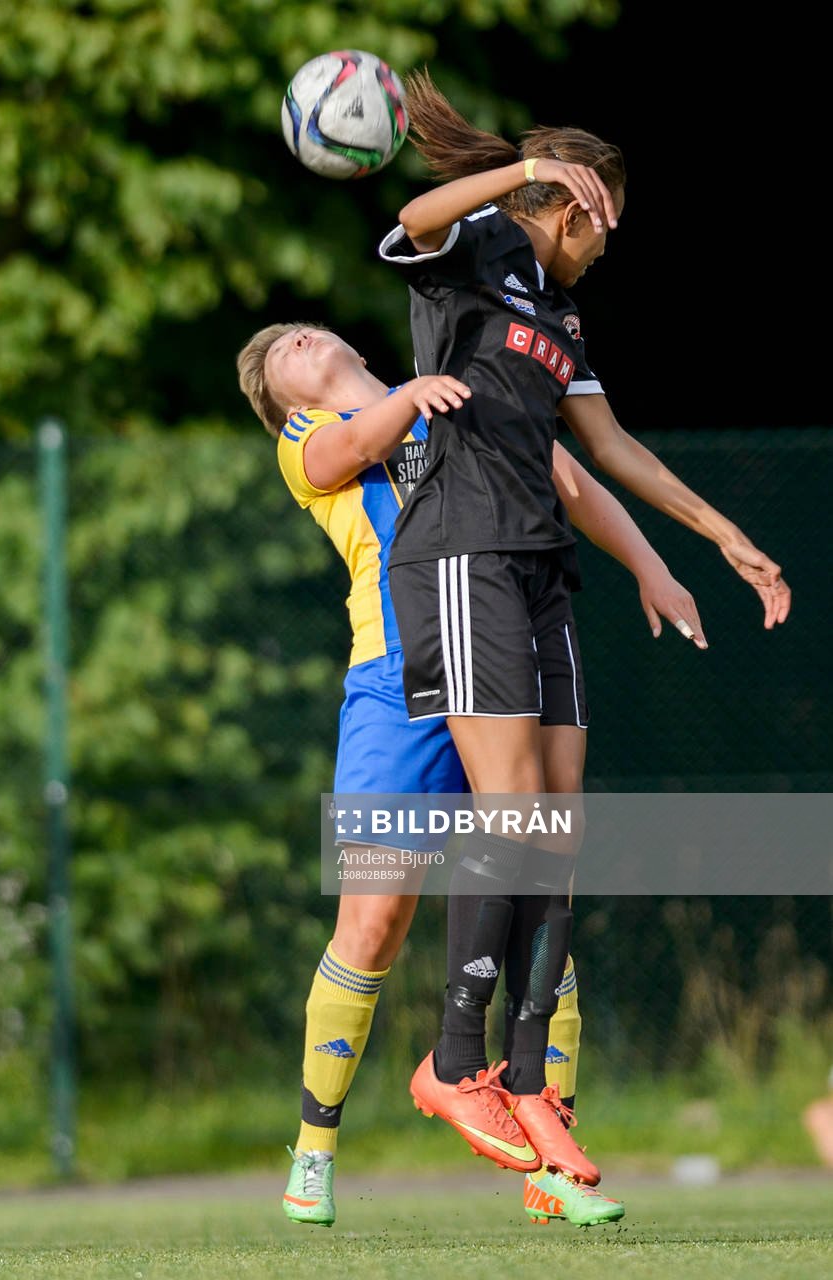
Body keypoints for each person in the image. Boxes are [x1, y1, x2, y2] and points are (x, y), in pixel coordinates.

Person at [377, 69, 792, 1224]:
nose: (609, 244)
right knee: (509, 808)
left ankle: (525, 1078)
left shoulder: (560, 318)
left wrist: (718, 536)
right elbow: (405, 219)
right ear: (571, 205)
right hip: (460, 552)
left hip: (538, 564)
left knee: (555, 826)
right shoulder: (474, 249)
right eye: (606, 220)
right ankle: (452, 1060)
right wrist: (523, 168)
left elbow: (610, 448)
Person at [236, 320, 713, 1227]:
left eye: (304, 329)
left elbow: (568, 480)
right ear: (281, 401)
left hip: (496, 666)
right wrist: (413, 396)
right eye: (280, 352)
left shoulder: (456, 397)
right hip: (395, 691)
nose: (299, 337)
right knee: (373, 920)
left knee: (539, 903)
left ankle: (553, 1167)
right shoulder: (309, 439)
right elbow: (349, 449)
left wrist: (650, 565)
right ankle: (314, 1150)